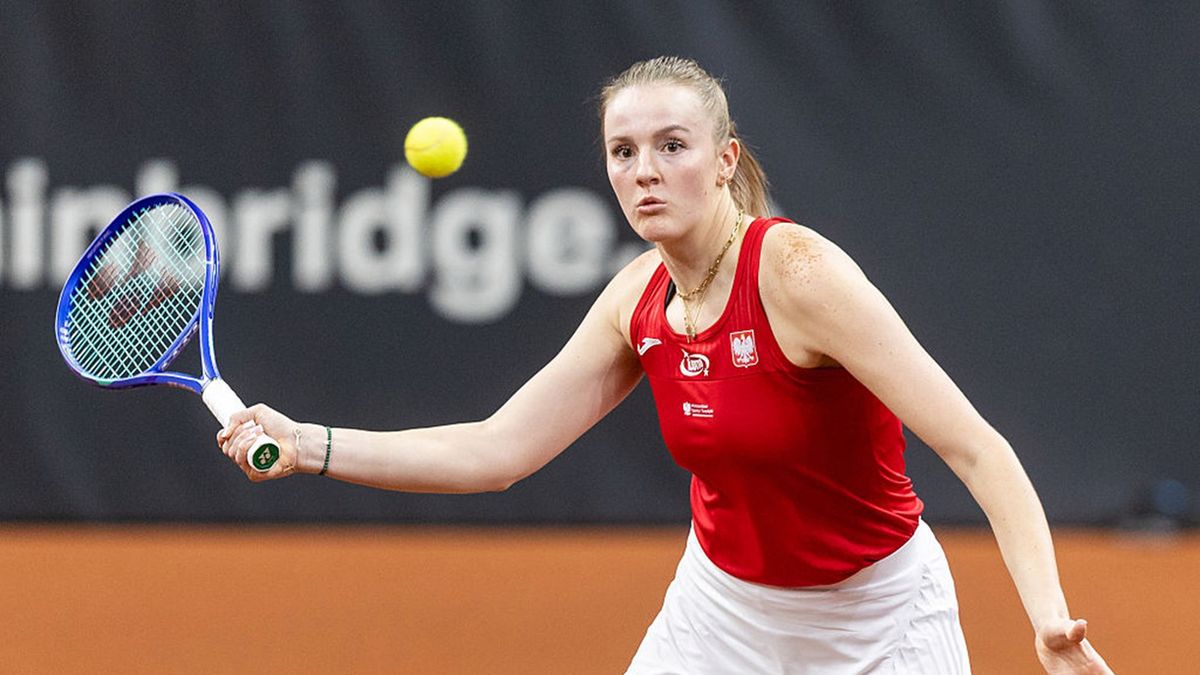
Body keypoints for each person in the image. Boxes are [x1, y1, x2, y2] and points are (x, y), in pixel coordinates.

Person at [218, 56, 1111, 674]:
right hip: (721, 612)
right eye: (623, 151)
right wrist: (309, 442)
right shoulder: (635, 299)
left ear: (724, 162)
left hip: (877, 619)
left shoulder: (800, 274)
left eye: (671, 147)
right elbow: (495, 451)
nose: (644, 170)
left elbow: (977, 449)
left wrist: (1044, 614)